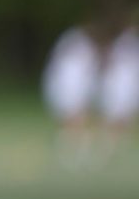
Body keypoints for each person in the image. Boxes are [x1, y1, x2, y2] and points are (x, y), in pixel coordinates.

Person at [42, 22, 103, 168]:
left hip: (75, 90)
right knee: (75, 121)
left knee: (78, 120)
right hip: (70, 90)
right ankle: (74, 151)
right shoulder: (75, 51)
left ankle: (75, 150)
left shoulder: (81, 49)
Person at [100, 14, 139, 155]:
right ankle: (110, 143)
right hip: (119, 86)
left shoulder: (131, 44)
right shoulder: (124, 44)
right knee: (115, 115)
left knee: (126, 116)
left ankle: (122, 144)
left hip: (128, 86)